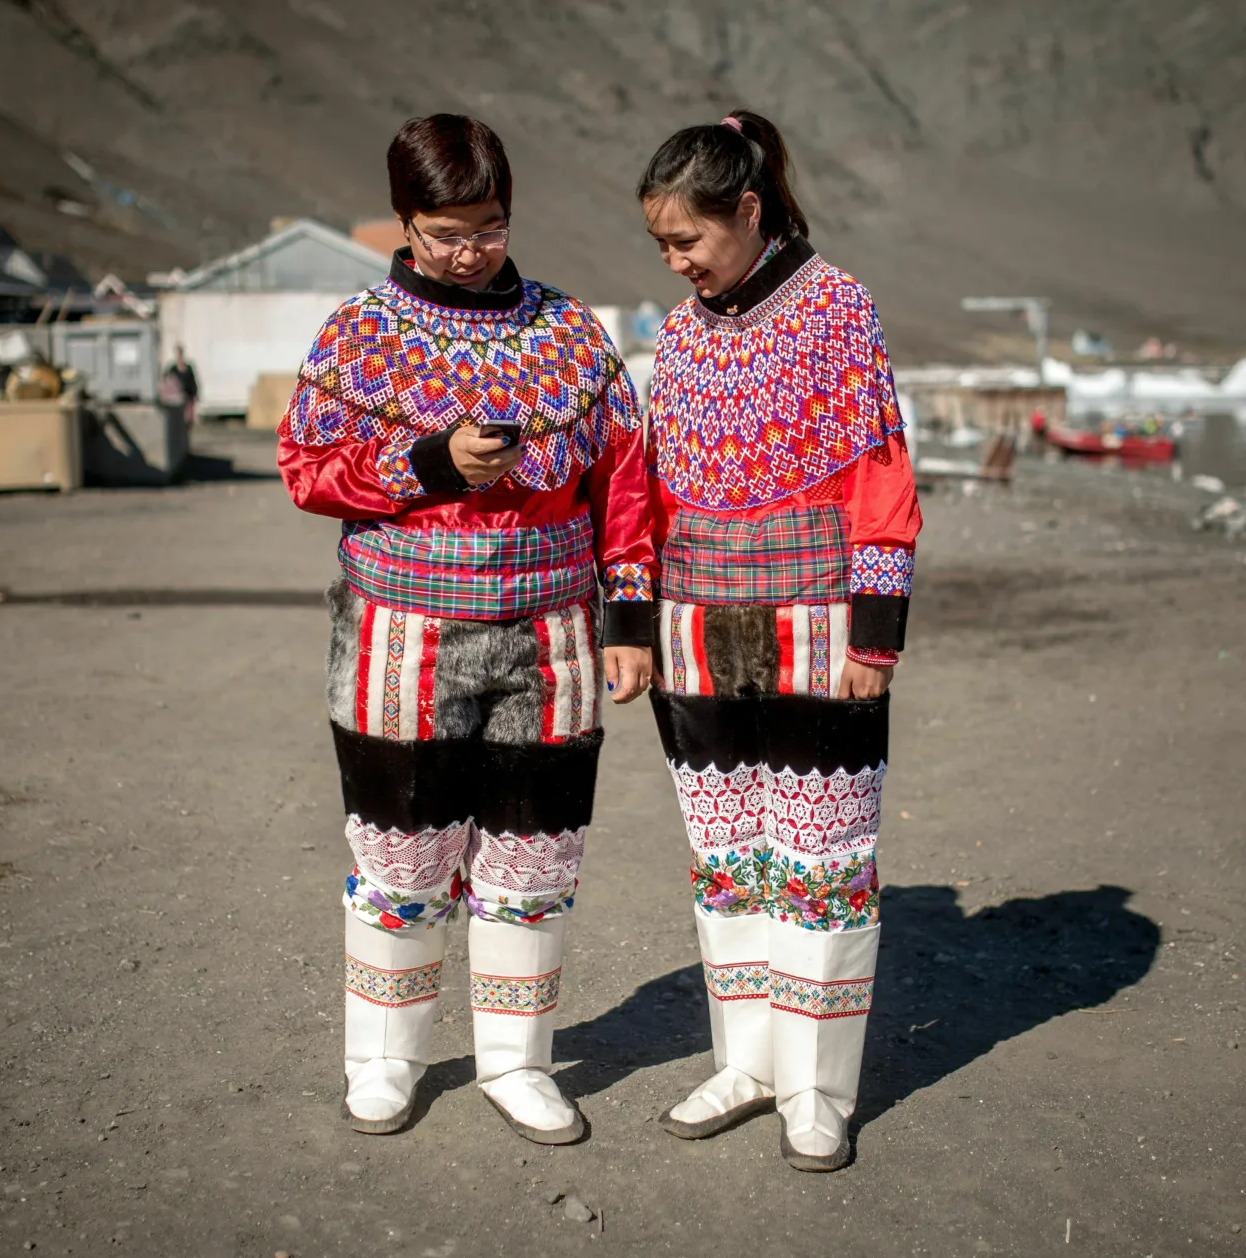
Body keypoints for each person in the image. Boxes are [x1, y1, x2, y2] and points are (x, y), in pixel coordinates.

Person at [278, 115, 655, 1145]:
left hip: (553, 637)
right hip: (399, 630)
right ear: (404, 222)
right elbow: (305, 469)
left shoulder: (570, 334)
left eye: (487, 228)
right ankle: (385, 1061)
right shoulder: (358, 333)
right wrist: (430, 465)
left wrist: (630, 615)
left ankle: (516, 1064)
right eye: (445, 233)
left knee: (534, 856)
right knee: (400, 855)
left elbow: (624, 483)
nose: (469, 251)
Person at [637, 111, 921, 1171]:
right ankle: (746, 1061)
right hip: (695, 631)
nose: (677, 264)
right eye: (663, 247)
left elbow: (880, 477)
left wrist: (874, 635)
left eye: (688, 242)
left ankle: (816, 1089)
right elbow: (654, 489)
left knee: (824, 864)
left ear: (746, 211)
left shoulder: (836, 308)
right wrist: (641, 629)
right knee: (729, 862)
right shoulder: (678, 331)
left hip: (816, 628)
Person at [162, 345, 199, 425]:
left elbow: (193, 382)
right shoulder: (173, 369)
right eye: (177, 354)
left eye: (180, 354)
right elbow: (166, 380)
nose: (179, 357)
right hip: (177, 399)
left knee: (188, 419)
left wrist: (195, 394)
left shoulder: (188, 368)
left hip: (188, 397)